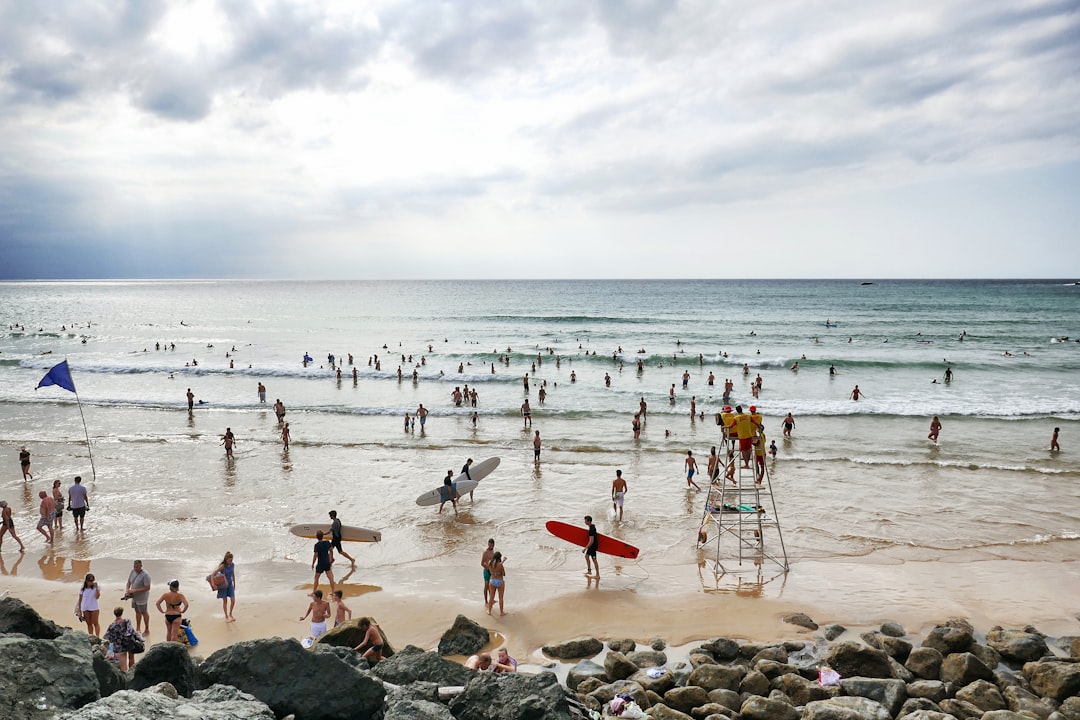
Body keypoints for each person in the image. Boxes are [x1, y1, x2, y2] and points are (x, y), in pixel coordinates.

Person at [104, 606, 139, 671]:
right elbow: (131, 631)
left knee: (123, 667)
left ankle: (126, 677)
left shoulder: (112, 625)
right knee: (131, 658)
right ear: (122, 613)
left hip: (119, 647)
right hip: (129, 643)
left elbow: (107, 637)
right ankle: (132, 673)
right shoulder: (126, 621)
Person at [124, 559, 152, 635]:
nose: (135, 568)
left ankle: (147, 629)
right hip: (134, 596)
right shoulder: (132, 571)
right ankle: (138, 628)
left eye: (137, 567)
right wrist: (127, 590)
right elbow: (128, 582)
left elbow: (147, 587)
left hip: (142, 598)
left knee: (144, 612)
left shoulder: (145, 575)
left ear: (141, 566)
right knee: (137, 611)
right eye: (134, 566)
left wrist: (134, 590)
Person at [212, 551, 237, 622]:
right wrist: (213, 584)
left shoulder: (232, 565)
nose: (231, 561)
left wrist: (234, 583)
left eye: (232, 560)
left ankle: (230, 614)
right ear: (226, 560)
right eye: (229, 560)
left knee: (233, 600)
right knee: (225, 601)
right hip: (223, 585)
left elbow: (233, 574)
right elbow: (213, 574)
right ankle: (226, 616)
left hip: (230, 584)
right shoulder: (222, 566)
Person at [486, 551, 506, 616]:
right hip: (500, 581)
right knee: (500, 598)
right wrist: (502, 562)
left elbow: (492, 569)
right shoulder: (500, 565)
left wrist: (503, 561)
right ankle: (501, 612)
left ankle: (489, 611)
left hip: (492, 581)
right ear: (499, 558)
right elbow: (503, 574)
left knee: (491, 597)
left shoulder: (489, 563)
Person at [481, 538, 496, 606]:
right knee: (486, 586)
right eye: (490, 545)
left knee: (491, 587)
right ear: (488, 544)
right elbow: (482, 563)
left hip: (492, 571)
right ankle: (486, 601)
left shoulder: (493, 552)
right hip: (486, 571)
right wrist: (488, 568)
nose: (491, 547)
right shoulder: (485, 552)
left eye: (492, 545)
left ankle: (491, 600)